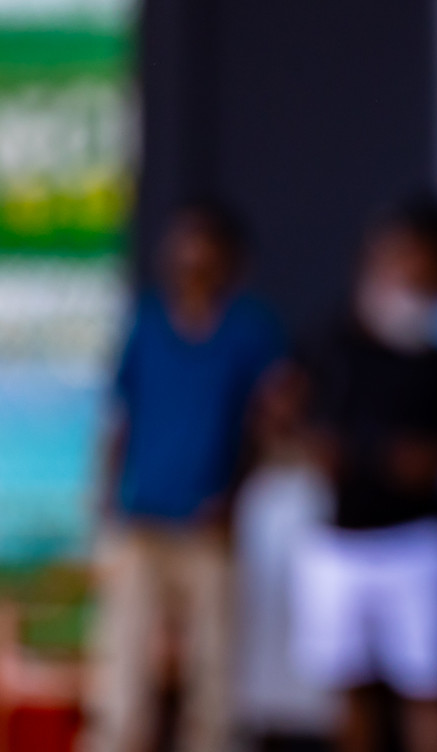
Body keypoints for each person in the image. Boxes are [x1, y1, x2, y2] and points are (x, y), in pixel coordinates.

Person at [286, 200, 437, 752]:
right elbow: (280, 406)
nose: (402, 269)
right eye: (392, 256)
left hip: (422, 543)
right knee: (350, 693)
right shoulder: (331, 335)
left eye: (415, 259)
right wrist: (312, 447)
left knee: (430, 690)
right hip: (338, 540)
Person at [89, 200, 285, 752]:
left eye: (205, 252)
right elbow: (120, 415)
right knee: (123, 666)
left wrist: (239, 493)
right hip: (142, 515)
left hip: (211, 524)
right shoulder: (148, 323)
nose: (192, 262)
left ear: (229, 260)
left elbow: (274, 420)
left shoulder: (251, 330)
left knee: (214, 676)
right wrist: (106, 495)